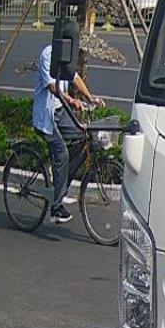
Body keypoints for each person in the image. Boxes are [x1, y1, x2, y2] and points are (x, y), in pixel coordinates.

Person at [33, 44, 105, 224]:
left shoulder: (66, 56)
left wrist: (89, 97)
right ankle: (56, 209)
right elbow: (52, 86)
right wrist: (72, 100)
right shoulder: (48, 54)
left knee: (83, 137)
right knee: (62, 154)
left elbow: (74, 77)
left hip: (60, 112)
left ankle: (61, 183)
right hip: (46, 115)